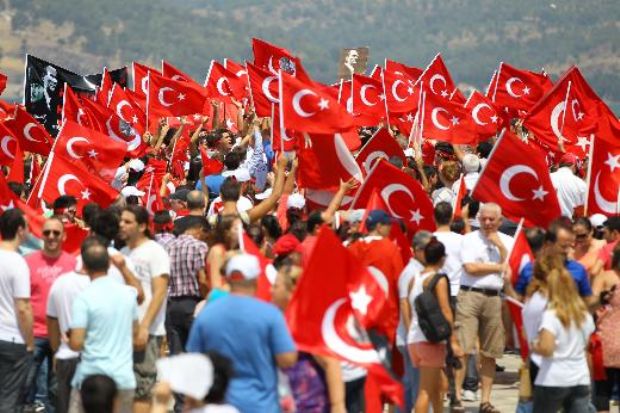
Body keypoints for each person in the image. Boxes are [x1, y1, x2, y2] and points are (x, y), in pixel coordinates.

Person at [186, 253, 298, 412]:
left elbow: (193, 362)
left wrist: (190, 404)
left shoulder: (207, 314)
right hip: (261, 404)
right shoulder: (270, 315)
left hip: (219, 405)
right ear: (256, 280)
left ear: (228, 279)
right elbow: (287, 359)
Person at [453, 203, 513, 413]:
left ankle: (485, 401)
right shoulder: (469, 239)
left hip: (494, 297)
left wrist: (501, 249)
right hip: (470, 295)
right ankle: (457, 398)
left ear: (500, 221)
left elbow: (509, 271)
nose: (487, 223)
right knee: (463, 348)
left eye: (491, 219)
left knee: (490, 352)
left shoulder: (507, 242)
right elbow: (471, 267)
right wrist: (498, 266)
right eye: (483, 219)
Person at [67, 237, 139, 413]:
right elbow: (135, 335)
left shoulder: (84, 298)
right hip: (123, 377)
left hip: (89, 377)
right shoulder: (128, 295)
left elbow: (76, 343)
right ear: (109, 265)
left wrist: (69, 339)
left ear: (84, 267)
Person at [271, 263, 346, 413]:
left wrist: (337, 406)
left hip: (311, 405)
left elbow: (331, 363)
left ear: (290, 291)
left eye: (276, 286)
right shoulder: (279, 318)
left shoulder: (304, 322)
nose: (271, 290)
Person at [119, 205, 170, 412]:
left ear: (142, 226)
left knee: (141, 389)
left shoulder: (155, 252)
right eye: (121, 221)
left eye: (127, 222)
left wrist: (144, 327)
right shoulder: (123, 253)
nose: (121, 225)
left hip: (146, 332)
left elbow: (159, 292)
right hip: (123, 333)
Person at [25, 216, 77, 413]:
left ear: (64, 236)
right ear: (41, 235)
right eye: (47, 232)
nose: (51, 236)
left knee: (58, 392)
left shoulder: (73, 264)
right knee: (25, 388)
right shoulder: (28, 262)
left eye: (56, 232)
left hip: (64, 336)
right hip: (33, 334)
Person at [407, 239, 463, 413]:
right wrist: (453, 341)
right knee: (425, 391)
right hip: (430, 341)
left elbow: (409, 308)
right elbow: (446, 310)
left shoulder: (414, 279)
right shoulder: (438, 280)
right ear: (442, 258)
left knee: (439, 387)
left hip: (414, 338)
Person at [530, 266, 595, 412]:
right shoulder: (584, 316)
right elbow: (585, 347)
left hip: (553, 377)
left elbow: (547, 349)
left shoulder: (552, 315)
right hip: (579, 377)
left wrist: (534, 344)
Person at [165, 215, 209, 412]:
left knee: (177, 356)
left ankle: (181, 405)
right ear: (199, 229)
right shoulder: (200, 247)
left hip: (173, 305)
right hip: (194, 305)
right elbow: (202, 278)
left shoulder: (169, 247)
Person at [0, 209, 34, 412]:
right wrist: (30, 342)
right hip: (12, 340)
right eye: (27, 226)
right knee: (9, 400)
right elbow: (23, 307)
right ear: (20, 230)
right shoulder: (18, 263)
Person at [514, 219, 593, 304]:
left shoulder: (579, 270)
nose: (567, 251)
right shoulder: (530, 269)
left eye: (570, 246)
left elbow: (587, 303)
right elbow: (516, 301)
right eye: (563, 246)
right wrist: (507, 284)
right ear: (549, 244)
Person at [47, 264, 91, 413]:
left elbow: (52, 320)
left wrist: (56, 350)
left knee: (64, 405)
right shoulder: (101, 286)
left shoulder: (61, 282)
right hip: (94, 357)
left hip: (66, 356)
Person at [397, 230, 432, 412]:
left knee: (412, 384)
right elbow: (404, 303)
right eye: (428, 248)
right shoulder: (410, 272)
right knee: (414, 385)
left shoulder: (421, 270)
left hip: (416, 337)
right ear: (417, 250)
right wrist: (412, 333)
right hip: (411, 338)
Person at [592, 245, 620, 413]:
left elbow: (591, 304)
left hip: (605, 342)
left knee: (602, 391)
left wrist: (602, 300)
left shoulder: (604, 277)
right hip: (610, 343)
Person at [550, 153, 587, 218]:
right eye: (576, 170)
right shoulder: (580, 184)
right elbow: (583, 211)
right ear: (574, 166)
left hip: (547, 222)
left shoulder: (547, 177)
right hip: (569, 222)